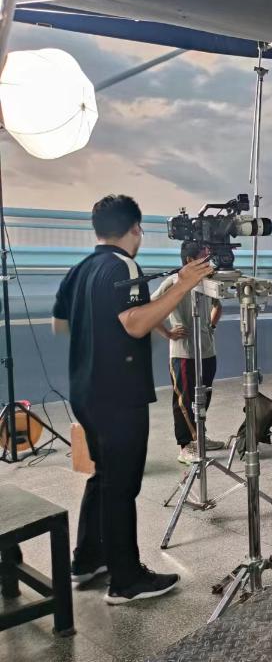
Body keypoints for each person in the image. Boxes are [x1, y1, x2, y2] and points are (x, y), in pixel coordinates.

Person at [52, 195, 214, 604]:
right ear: (135, 229)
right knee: (122, 485)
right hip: (117, 395)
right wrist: (184, 284)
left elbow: (60, 324)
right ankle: (125, 580)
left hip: (86, 391)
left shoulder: (80, 269)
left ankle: (88, 559)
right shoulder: (123, 266)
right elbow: (136, 324)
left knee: (103, 475)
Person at [152, 242, 225, 464]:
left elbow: (218, 305)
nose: (208, 261)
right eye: (203, 257)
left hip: (207, 351)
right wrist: (168, 333)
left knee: (204, 396)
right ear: (189, 260)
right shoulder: (173, 282)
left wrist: (211, 327)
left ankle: (199, 437)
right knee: (184, 401)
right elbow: (150, 308)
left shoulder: (208, 282)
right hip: (183, 353)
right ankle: (185, 446)